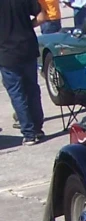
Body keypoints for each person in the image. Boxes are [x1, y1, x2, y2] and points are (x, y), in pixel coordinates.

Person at [1, 0, 46, 145]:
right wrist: (28, 26)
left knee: (17, 94)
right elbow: (41, 17)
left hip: (7, 53)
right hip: (28, 48)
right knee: (32, 89)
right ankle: (37, 128)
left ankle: (29, 132)